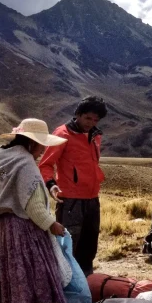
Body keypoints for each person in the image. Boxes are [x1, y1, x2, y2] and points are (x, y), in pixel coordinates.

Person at [0, 118, 68, 303]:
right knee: (20, 284)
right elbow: (34, 206)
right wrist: (53, 225)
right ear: (32, 143)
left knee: (2, 282)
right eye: (41, 145)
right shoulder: (25, 163)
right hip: (20, 231)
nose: (42, 151)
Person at [39, 96, 107, 275]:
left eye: (95, 120)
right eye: (87, 118)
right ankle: (64, 289)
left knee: (89, 246)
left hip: (92, 199)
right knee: (68, 247)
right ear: (78, 114)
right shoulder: (62, 134)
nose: (91, 123)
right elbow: (45, 164)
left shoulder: (95, 135)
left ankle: (86, 285)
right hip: (71, 201)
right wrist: (52, 185)